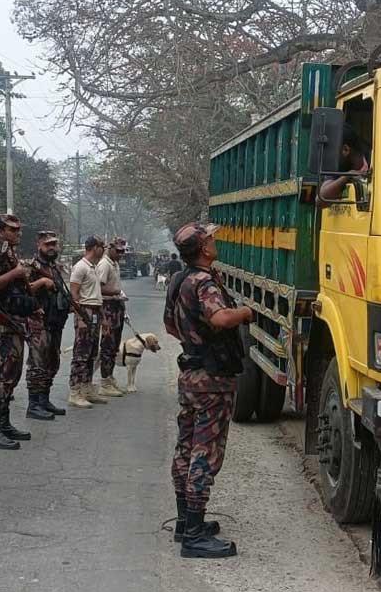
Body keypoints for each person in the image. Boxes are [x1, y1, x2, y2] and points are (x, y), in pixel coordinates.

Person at [164, 222, 252, 559]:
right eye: (211, 239)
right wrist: (243, 313)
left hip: (190, 375)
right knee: (206, 451)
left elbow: (170, 326)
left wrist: (193, 342)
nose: (216, 242)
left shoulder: (178, 280)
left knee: (186, 446)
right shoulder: (203, 281)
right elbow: (219, 319)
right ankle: (195, 536)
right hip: (211, 380)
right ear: (203, 248)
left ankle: (186, 523)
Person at [0, 214, 51, 450]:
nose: (18, 234)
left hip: (16, 322)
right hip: (3, 324)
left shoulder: (10, 254)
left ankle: (3, 423)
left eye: (19, 230)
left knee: (11, 376)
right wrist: (15, 273)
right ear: (1, 231)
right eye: (13, 230)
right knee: (1, 377)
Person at [23, 230, 67, 420]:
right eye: (48, 244)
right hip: (38, 322)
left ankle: (44, 400)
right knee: (38, 364)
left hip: (55, 321)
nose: (52, 248)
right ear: (39, 244)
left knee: (52, 362)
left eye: (54, 244)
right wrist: (41, 281)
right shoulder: (30, 267)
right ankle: (33, 405)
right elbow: (24, 290)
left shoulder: (54, 267)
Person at [67, 235, 108, 408]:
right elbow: (74, 294)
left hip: (95, 311)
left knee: (91, 352)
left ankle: (87, 388)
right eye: (101, 246)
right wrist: (81, 317)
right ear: (93, 247)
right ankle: (75, 391)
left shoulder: (93, 267)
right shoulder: (80, 267)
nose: (104, 249)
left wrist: (103, 318)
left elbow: (96, 295)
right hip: (85, 311)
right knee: (81, 353)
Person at [96, 236, 129, 397]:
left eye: (123, 251)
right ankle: (104, 382)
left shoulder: (114, 263)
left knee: (115, 345)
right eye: (118, 251)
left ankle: (109, 377)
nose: (121, 254)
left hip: (117, 306)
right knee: (107, 345)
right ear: (110, 248)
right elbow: (98, 288)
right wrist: (116, 293)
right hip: (107, 307)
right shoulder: (104, 264)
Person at [317, 123, 370, 204]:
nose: (329, 157)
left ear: (345, 150)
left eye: (332, 151)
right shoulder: (338, 167)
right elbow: (320, 200)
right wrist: (348, 175)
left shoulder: (374, 161)